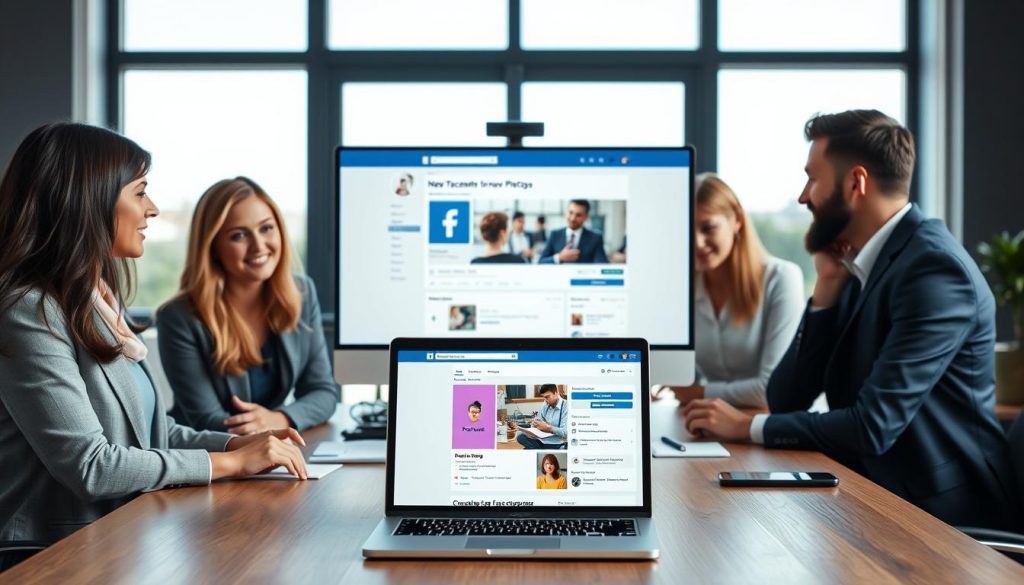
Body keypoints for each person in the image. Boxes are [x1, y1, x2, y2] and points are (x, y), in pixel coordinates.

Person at [681, 110, 1021, 531]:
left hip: (945, 517)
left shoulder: (933, 270)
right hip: (873, 496)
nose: (804, 196)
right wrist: (825, 288)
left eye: (813, 179)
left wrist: (748, 425)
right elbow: (788, 397)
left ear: (855, 183)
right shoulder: (858, 265)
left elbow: (871, 426)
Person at [0, 123, 308, 547]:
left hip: (117, 537)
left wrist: (237, 442)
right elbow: (92, 466)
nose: (153, 208)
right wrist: (232, 464)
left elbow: (151, 432)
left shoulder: (94, 301)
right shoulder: (28, 311)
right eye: (140, 191)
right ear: (91, 199)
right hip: (46, 555)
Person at [156, 177, 338, 434]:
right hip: (206, 459)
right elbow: (207, 419)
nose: (259, 246)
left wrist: (280, 418)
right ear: (213, 247)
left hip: (269, 449)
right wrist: (265, 428)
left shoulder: (301, 292)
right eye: (238, 235)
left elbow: (323, 393)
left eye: (266, 229)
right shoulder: (178, 317)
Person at [654, 174, 804, 408]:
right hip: (705, 423)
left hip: (765, 427)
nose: (697, 242)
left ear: (737, 221)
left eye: (708, 228)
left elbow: (771, 388)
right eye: (686, 229)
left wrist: (697, 392)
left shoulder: (781, 279)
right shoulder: (681, 288)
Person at [539, 200, 609, 264]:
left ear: (586, 217)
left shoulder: (595, 238)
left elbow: (602, 264)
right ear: (566, 212)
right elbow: (541, 262)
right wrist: (559, 257)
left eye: (578, 215)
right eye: (571, 213)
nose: (573, 218)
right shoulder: (554, 234)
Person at [513, 384, 568, 449]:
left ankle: (538, 450)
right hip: (542, 438)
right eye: (544, 397)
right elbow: (539, 419)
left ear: (556, 393)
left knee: (527, 449)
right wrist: (535, 424)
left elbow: (565, 432)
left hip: (556, 441)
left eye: (547, 397)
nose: (545, 400)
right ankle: (538, 449)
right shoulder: (546, 404)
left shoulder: (566, 406)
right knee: (520, 437)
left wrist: (549, 428)